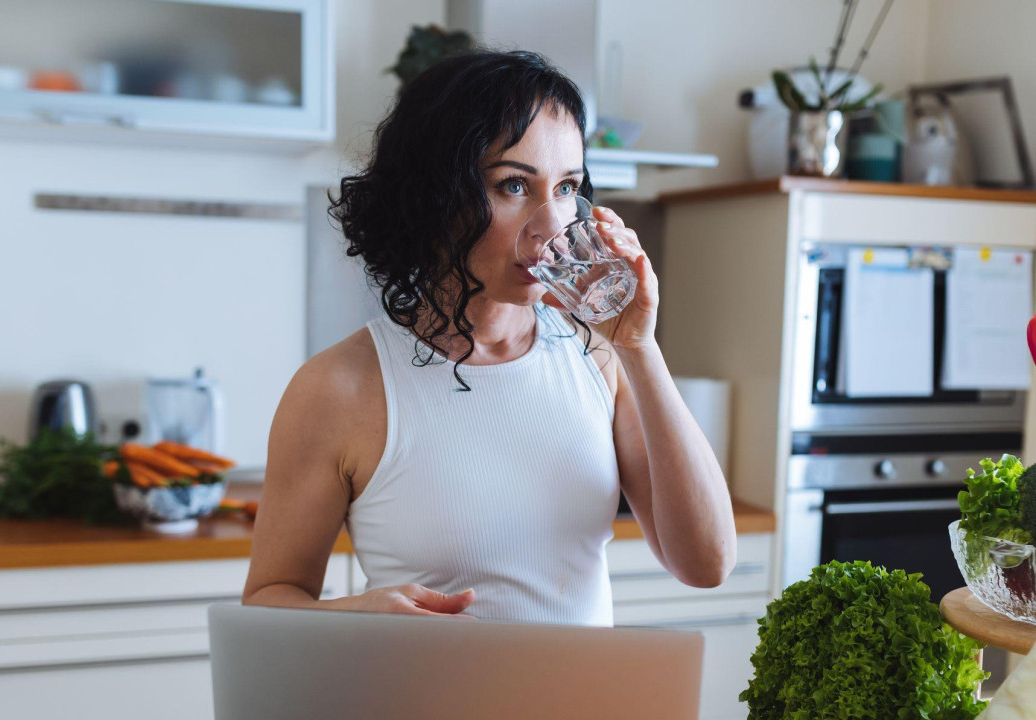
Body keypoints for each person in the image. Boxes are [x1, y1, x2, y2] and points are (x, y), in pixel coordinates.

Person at [242, 50, 735, 626]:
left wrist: (639, 347)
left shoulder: (598, 357)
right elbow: (268, 600)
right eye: (512, 186)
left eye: (566, 186)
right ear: (434, 198)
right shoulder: (339, 389)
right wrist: (358, 616)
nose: (553, 225)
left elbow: (707, 564)